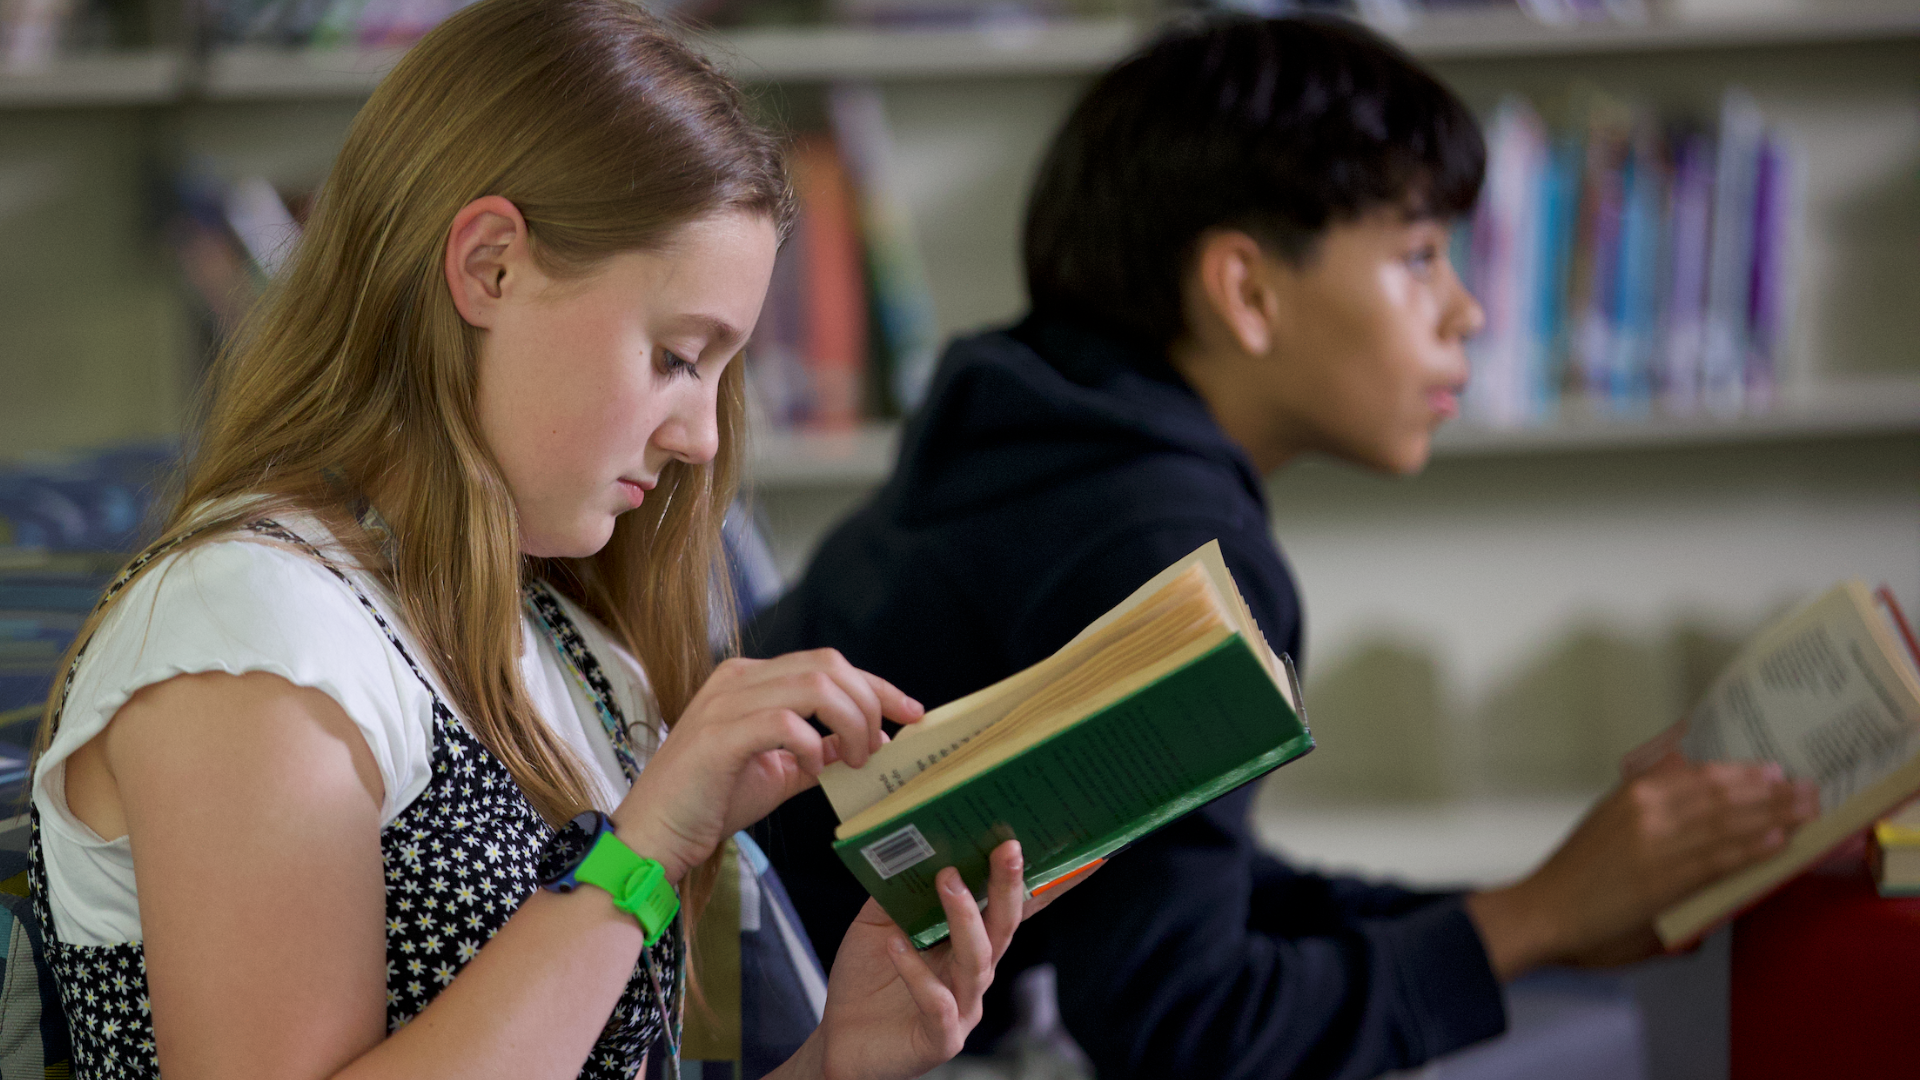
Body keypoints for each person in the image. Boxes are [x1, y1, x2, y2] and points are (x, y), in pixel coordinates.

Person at [746, 16, 1821, 1079]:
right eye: (1418, 257)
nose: (1473, 311)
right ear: (1248, 293)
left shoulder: (1025, 432)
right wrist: (1532, 923)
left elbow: (1176, 893)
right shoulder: (1174, 555)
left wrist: (1538, 907)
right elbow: (1191, 1032)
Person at [27, 2, 1060, 1077]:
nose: (703, 437)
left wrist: (840, 1061)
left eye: (720, 372)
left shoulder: (567, 637)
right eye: (674, 355)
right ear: (490, 267)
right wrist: (643, 849)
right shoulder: (249, 627)